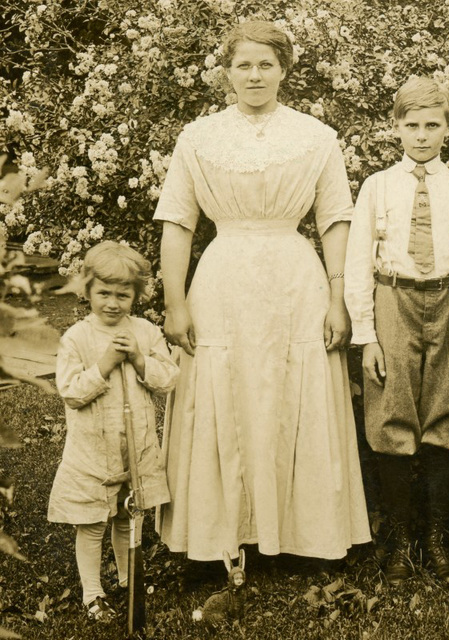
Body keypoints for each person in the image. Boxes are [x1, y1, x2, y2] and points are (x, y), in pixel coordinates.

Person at [154, 20, 371, 563]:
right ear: (226, 72)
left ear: (284, 70)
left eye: (265, 64)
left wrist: (338, 297)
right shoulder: (198, 136)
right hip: (222, 279)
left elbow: (335, 220)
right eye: (243, 65)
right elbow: (177, 222)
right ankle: (215, 535)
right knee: (221, 387)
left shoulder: (315, 136)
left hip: (295, 280)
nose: (254, 75)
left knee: (291, 386)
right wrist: (175, 302)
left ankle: (303, 537)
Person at [344, 76, 449, 585]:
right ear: (396, 128)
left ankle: (439, 542)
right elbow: (359, 261)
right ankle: (398, 544)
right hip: (394, 298)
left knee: (448, 411)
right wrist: (365, 335)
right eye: (412, 125)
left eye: (433, 125)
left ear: (448, 129)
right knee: (391, 413)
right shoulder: (377, 186)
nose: (422, 135)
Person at [48, 241, 179, 620]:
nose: (112, 302)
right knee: (91, 523)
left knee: (127, 516)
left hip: (134, 446)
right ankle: (93, 593)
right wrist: (104, 365)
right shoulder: (77, 337)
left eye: (123, 295)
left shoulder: (145, 330)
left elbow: (168, 378)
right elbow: (71, 392)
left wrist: (139, 359)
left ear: (137, 296)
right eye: (103, 292)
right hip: (92, 449)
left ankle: (127, 580)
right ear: (87, 290)